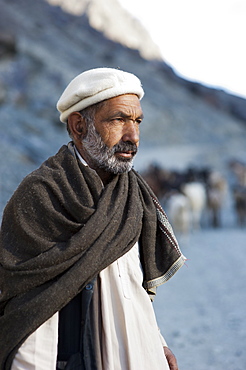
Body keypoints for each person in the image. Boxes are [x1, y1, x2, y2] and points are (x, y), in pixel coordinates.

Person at [0, 67, 186, 370]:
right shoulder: (42, 194)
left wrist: (156, 341)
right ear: (79, 126)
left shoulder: (132, 192)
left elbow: (132, 282)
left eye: (137, 121)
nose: (133, 136)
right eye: (118, 120)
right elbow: (28, 303)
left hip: (139, 352)